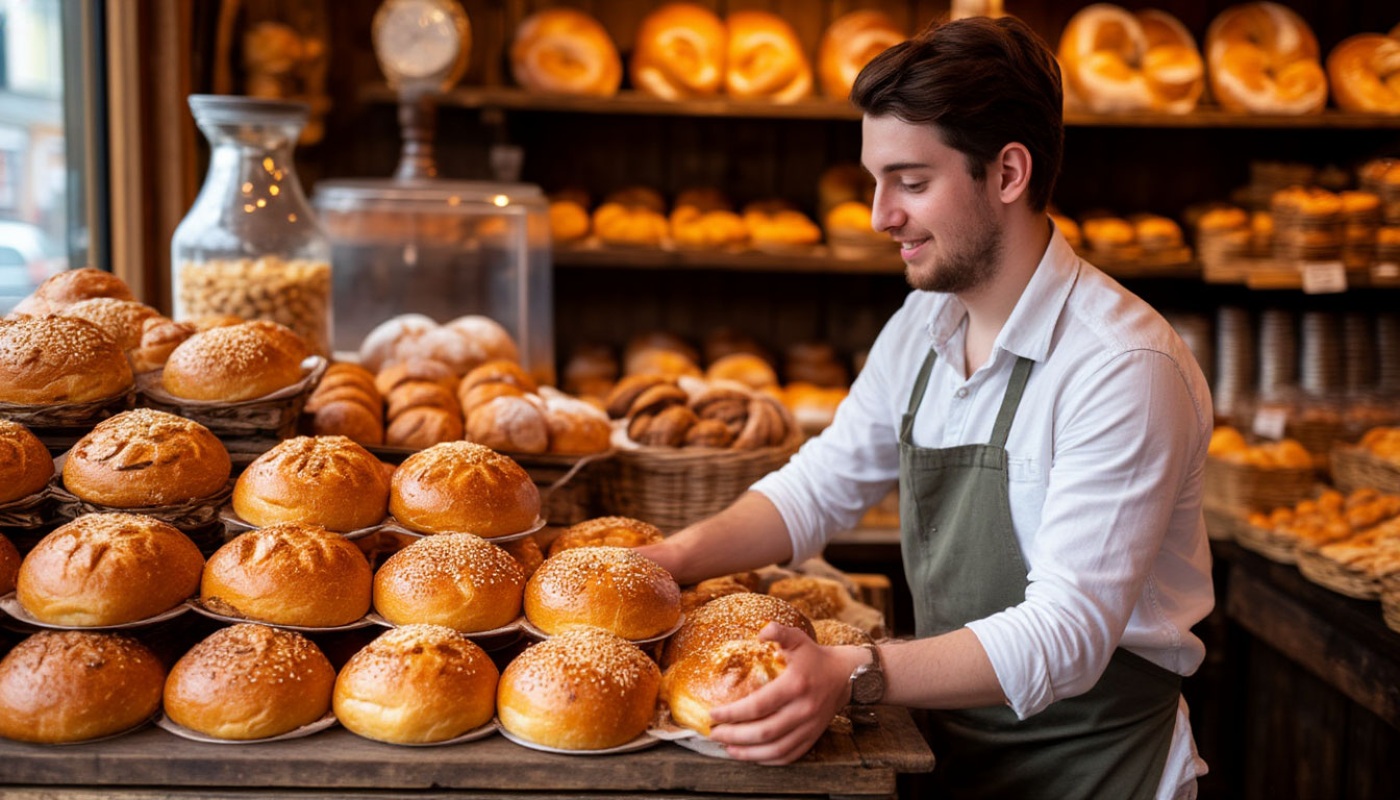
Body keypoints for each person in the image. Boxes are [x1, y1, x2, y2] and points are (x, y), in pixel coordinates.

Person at [636, 14, 1214, 800]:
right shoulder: (924, 324)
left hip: (1096, 771)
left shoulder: (1121, 367)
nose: (881, 216)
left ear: (1008, 174)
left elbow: (1068, 635)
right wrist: (668, 563)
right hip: (953, 749)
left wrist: (854, 671)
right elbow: (818, 488)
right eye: (877, 182)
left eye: (910, 182)